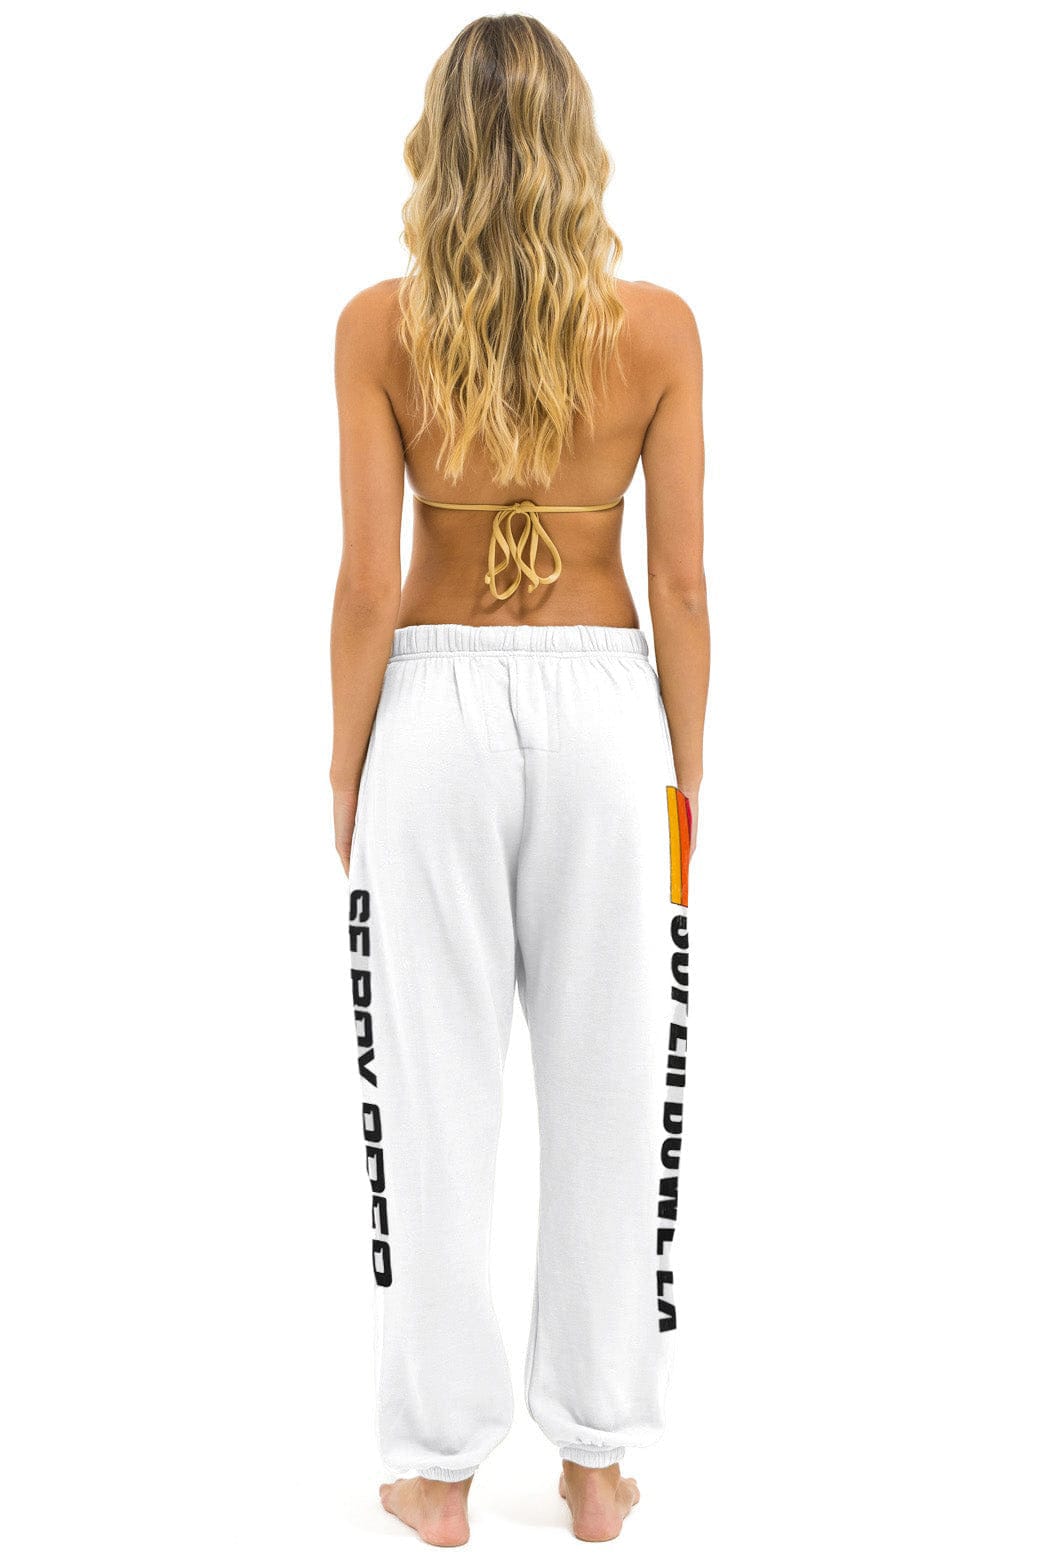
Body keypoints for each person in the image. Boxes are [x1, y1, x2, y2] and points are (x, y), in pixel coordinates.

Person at [330, 14, 708, 1547]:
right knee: (619, 1081)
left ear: (440, 147)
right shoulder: (658, 332)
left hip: (428, 714)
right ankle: (599, 1462)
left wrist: (342, 768)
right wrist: (688, 784)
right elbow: (680, 587)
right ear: (576, 148)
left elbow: (370, 583)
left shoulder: (378, 328)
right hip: (612, 715)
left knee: (425, 1091)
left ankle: (434, 1471)